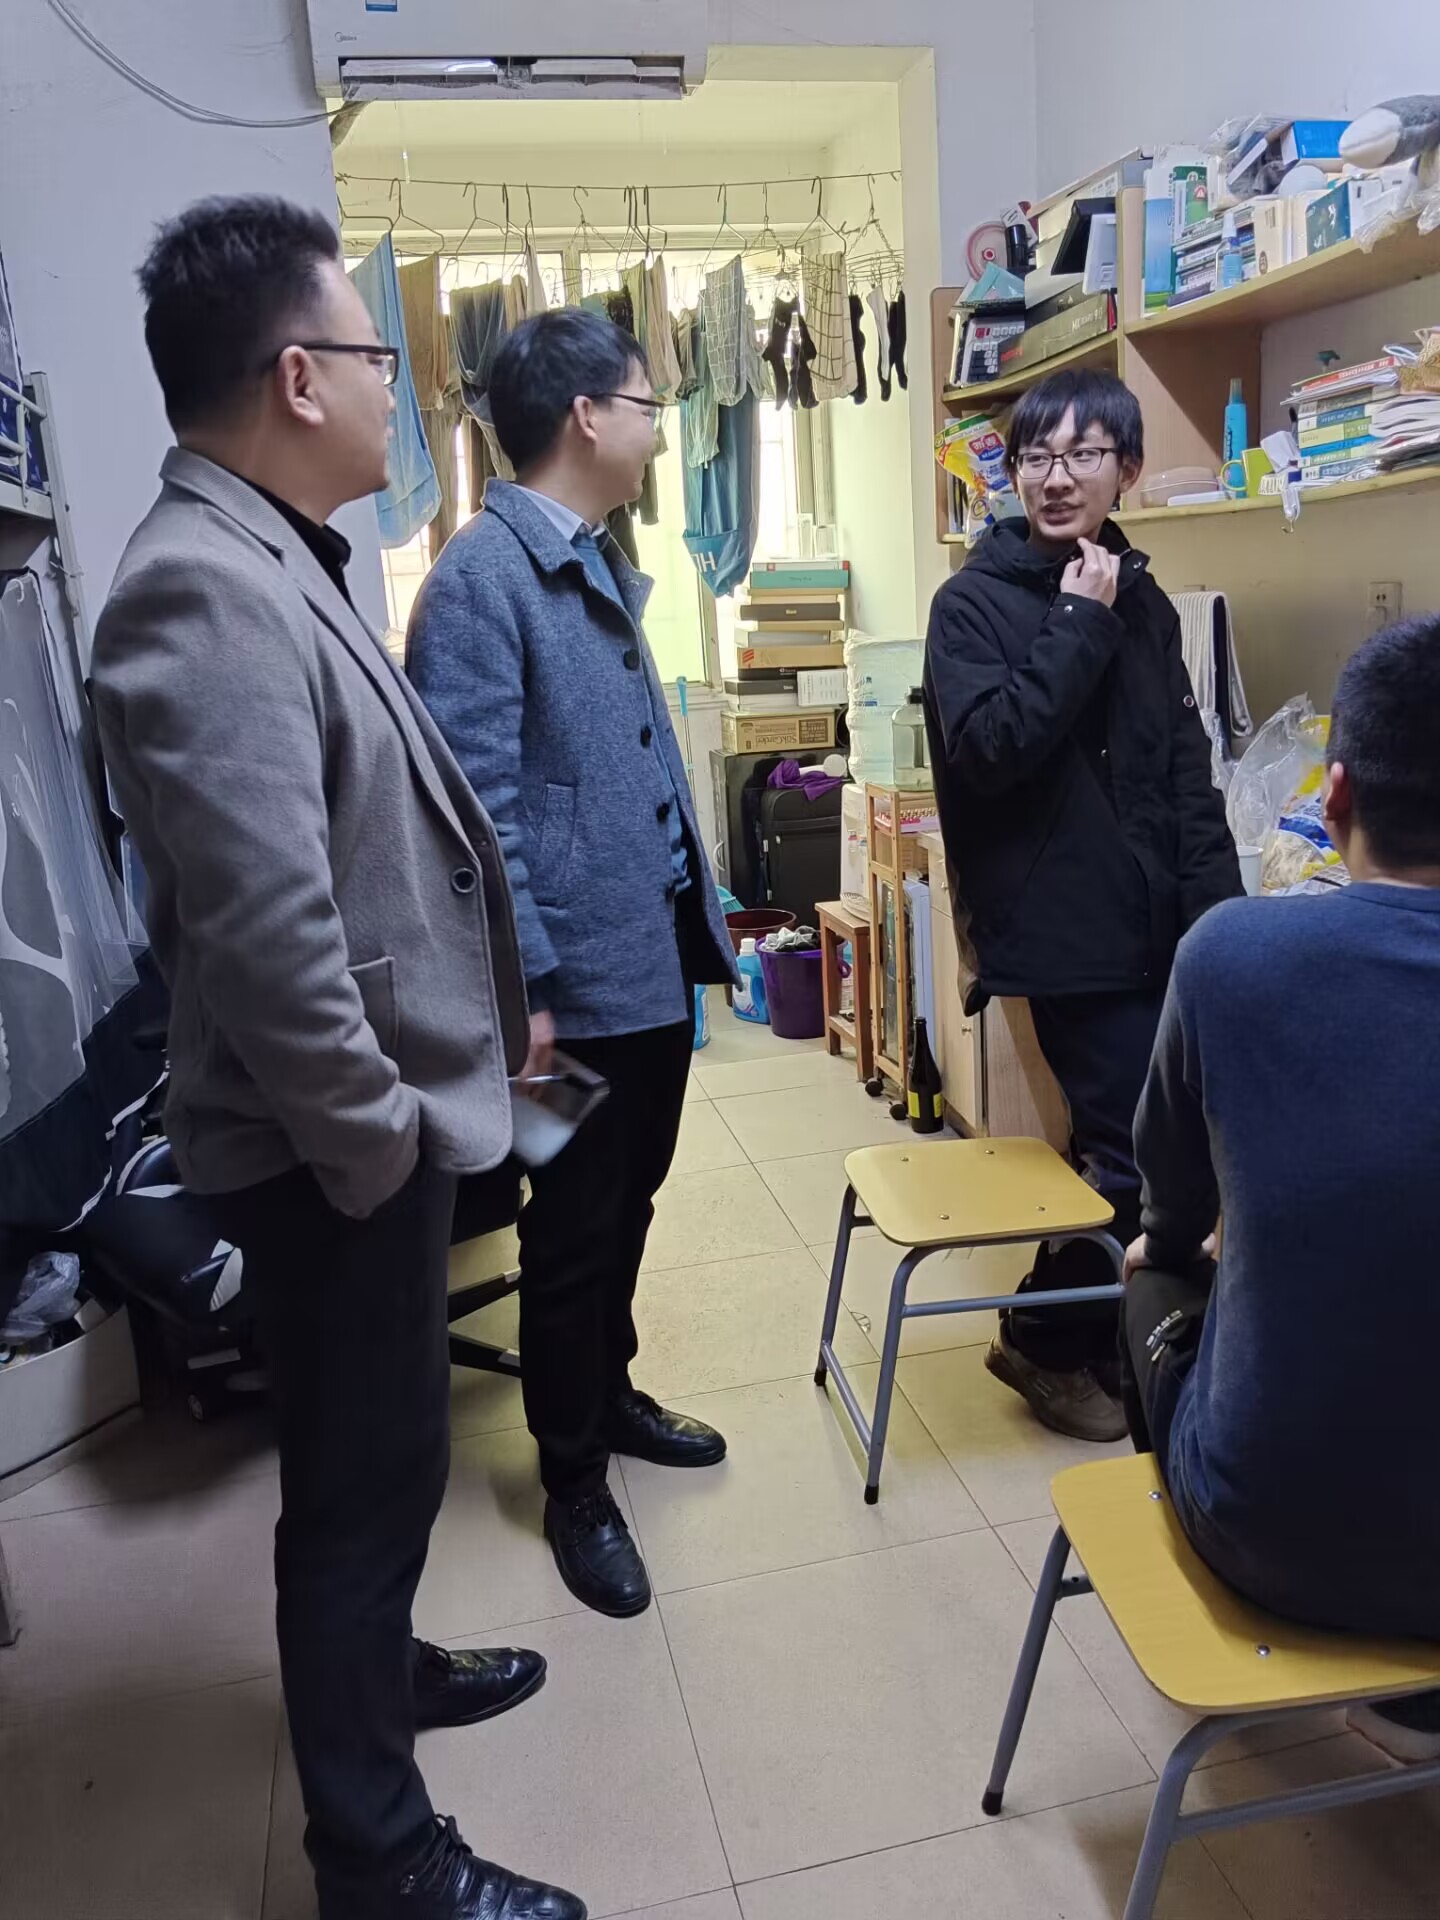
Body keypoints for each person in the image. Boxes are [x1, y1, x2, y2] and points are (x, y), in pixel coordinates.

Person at [91, 198, 584, 1920]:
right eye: (378, 358)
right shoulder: (195, 589)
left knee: (378, 1468)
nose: (398, 389)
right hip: (331, 1148)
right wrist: (379, 1145)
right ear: (298, 377)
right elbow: (269, 941)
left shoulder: (273, 549)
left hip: (364, 1127)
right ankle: (379, 1860)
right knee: (360, 1496)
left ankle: (381, 1676)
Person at [408, 309, 737, 1620]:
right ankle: (573, 1477)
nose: (660, 429)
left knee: (631, 1199)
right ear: (587, 418)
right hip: (563, 1002)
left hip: (643, 970)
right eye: (649, 404)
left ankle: (611, 1392)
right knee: (572, 1227)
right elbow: (473, 819)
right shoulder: (482, 578)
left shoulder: (591, 550)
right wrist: (526, 996)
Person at [1123, 613, 1440, 1761]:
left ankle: (1225, 1624)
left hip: (1276, 1543)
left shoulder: (1230, 954)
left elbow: (1170, 1205)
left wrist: (1189, 1244)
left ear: (1335, 797)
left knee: (1149, 1275)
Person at [922, 368, 1241, 1443]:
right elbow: (990, 751)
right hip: (1059, 934)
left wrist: (1224, 926)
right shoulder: (973, 604)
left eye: (1083, 455)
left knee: (1159, 1152)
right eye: (1035, 457)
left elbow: (1185, 775)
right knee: (1134, 1158)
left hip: (1156, 923)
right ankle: (1048, 1338)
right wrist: (1076, 620)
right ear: (1011, 474)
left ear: (1127, 469)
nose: (1056, 478)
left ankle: (1090, 1328)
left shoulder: (1141, 600)